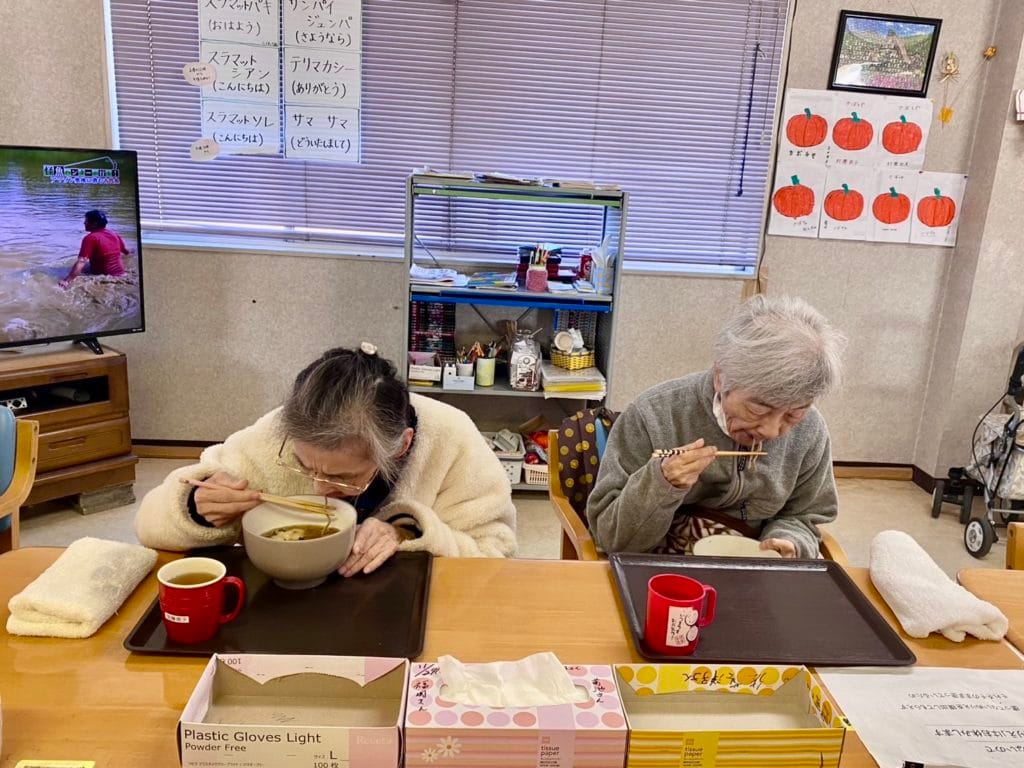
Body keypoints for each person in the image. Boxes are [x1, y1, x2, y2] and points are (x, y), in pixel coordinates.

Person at [135, 344, 517, 574]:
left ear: (401, 445)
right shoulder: (277, 433)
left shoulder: (452, 437)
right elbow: (148, 525)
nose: (318, 488)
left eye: (344, 477)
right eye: (305, 467)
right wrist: (196, 509)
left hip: (410, 618)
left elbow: (494, 554)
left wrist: (409, 532)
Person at [587, 295, 845, 559]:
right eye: (758, 409)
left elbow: (804, 514)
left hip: (754, 564)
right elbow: (611, 538)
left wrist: (790, 541)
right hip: (658, 558)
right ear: (721, 377)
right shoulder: (653, 414)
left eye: (793, 415)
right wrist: (661, 483)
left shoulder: (811, 431)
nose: (770, 430)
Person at [59, 209, 129, 288]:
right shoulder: (114, 234)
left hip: (104, 277)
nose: (84, 223)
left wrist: (67, 280)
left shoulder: (90, 238)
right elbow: (125, 251)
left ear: (94, 224)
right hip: (121, 274)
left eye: (86, 221)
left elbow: (82, 261)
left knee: (68, 272)